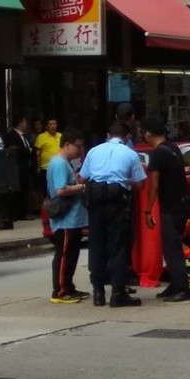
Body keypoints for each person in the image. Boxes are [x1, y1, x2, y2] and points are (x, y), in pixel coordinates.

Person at [80, 121, 147, 308]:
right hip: (118, 202)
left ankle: (98, 293)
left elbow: (82, 177)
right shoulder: (130, 154)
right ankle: (118, 293)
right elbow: (141, 183)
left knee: (97, 245)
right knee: (119, 247)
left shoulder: (94, 151)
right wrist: (126, 180)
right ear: (126, 138)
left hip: (95, 201)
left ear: (108, 135)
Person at [143, 117, 190, 303]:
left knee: (172, 249)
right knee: (172, 247)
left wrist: (148, 209)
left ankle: (183, 288)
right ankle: (175, 283)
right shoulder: (173, 149)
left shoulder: (157, 154)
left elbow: (154, 185)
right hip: (181, 205)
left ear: (148, 134)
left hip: (170, 207)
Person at [47, 128, 89, 304]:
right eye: (77, 147)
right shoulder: (58, 163)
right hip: (65, 219)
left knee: (71, 255)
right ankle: (60, 291)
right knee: (64, 255)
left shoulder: (66, 164)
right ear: (67, 144)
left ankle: (68, 287)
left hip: (73, 219)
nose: (80, 151)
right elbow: (60, 190)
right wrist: (81, 187)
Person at [5, 115, 34, 220]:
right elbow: (14, 149)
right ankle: (17, 213)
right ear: (20, 123)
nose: (26, 125)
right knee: (18, 191)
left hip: (26, 167)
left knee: (25, 190)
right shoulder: (12, 135)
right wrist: (26, 150)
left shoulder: (24, 136)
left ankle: (23, 212)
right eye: (25, 122)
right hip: (18, 167)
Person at [35, 118, 62, 197]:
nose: (53, 126)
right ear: (46, 126)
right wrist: (38, 166)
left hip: (59, 167)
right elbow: (38, 153)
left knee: (58, 188)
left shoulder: (60, 136)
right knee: (46, 190)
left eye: (55, 124)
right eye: (51, 124)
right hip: (46, 168)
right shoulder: (41, 137)